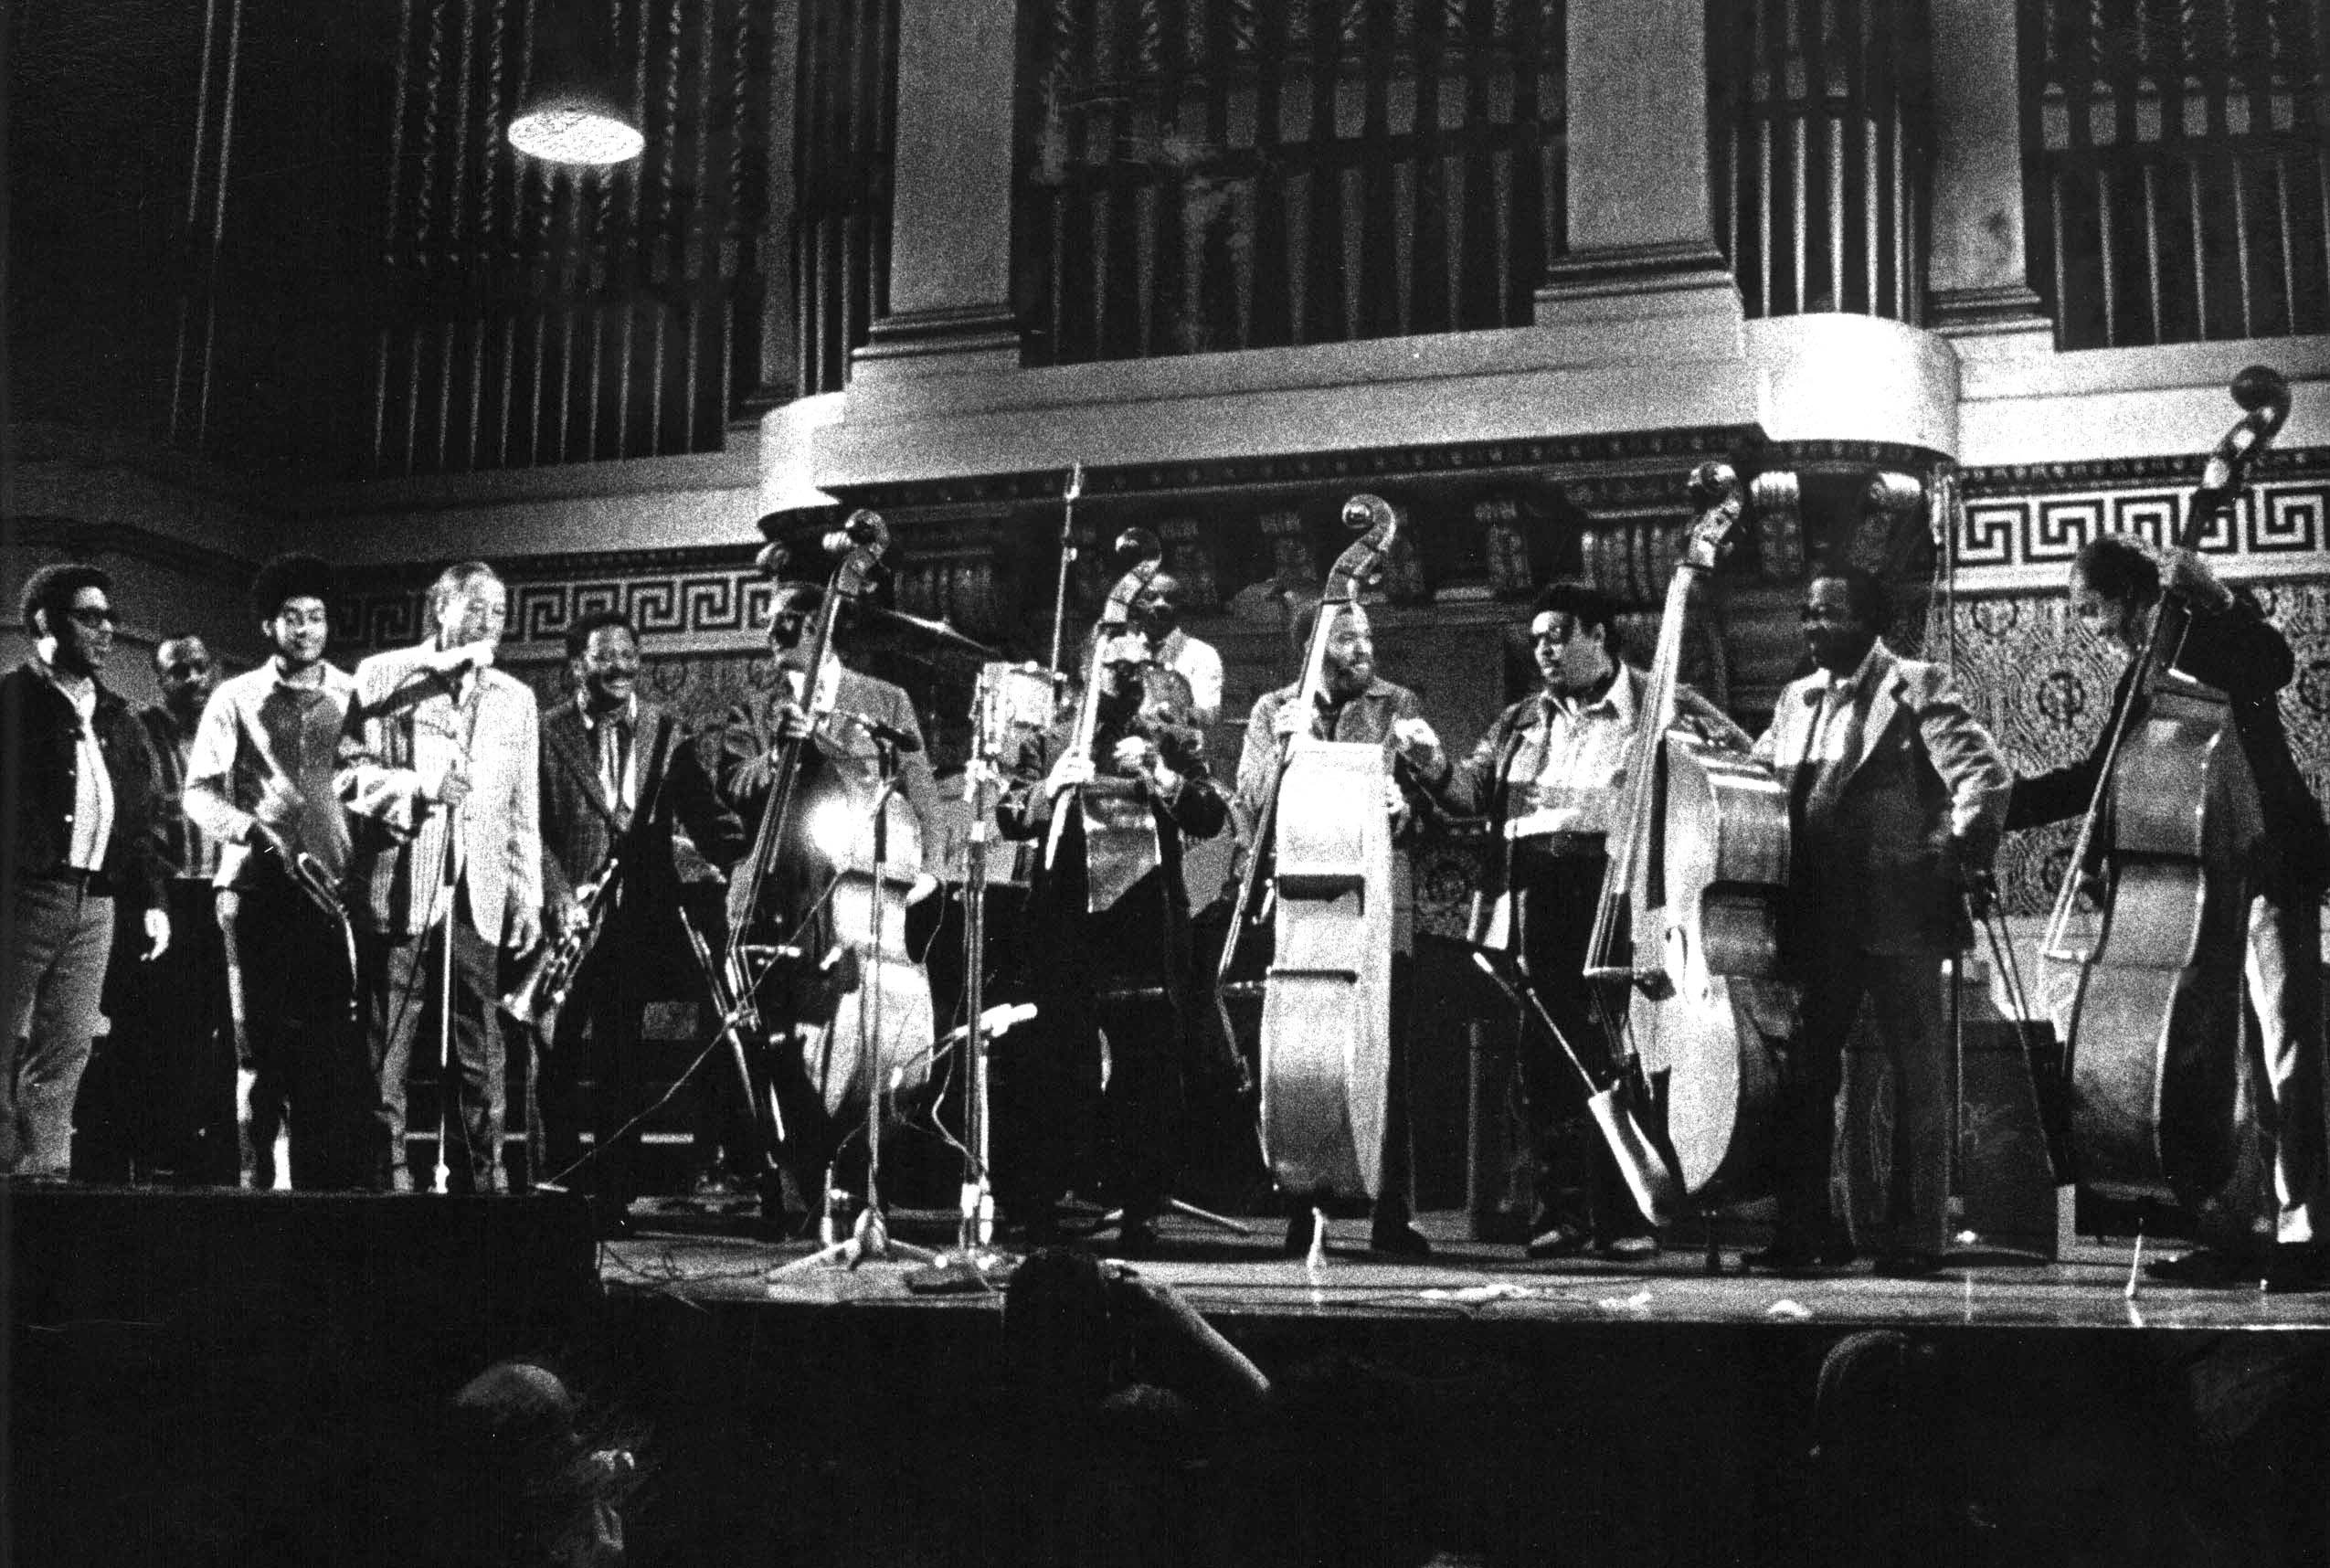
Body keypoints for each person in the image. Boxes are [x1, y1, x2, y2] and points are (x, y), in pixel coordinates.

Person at [2008, 535, 2330, 1292]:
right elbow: (2098, 780)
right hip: (2202, 880)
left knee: (2287, 1053)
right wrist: (2006, 805)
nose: (2093, 628)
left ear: (2130, 595)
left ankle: (2306, 1232)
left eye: (2093, 610)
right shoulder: (2138, 679)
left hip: (2268, 861)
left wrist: (2215, 598)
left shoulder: (2214, 632)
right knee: (2224, 1062)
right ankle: (2234, 1232)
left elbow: (2272, 665)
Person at [1401, 583, 1711, 1262]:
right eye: (1535, 639)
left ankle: (1628, 1216)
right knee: (1544, 1061)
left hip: (1618, 893)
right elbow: (1469, 791)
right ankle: (1561, 1214)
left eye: (1556, 635)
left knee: (1618, 1053)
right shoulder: (1519, 720)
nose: (1542, 649)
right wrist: (1428, 764)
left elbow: (1730, 767)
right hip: (1535, 896)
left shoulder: (1663, 705)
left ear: (1598, 635)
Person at [1752, 566, 2009, 1276]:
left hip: (1903, 914)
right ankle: (1807, 1231)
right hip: (1816, 918)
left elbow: (1984, 781)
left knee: (1915, 1076)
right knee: (1806, 1073)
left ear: (1870, 622)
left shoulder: (1918, 683)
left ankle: (1914, 1239)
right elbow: (1761, 780)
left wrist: (1953, 861)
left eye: (1828, 614)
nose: (1811, 627)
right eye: (1806, 614)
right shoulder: (1794, 698)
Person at [995, 625, 1230, 1255]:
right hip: (1065, 918)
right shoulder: (1049, 737)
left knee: (1146, 1064)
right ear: (1088, 667)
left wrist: (1162, 776)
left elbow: (1211, 816)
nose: (1130, 677)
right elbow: (1007, 814)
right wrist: (1051, 789)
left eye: (1138, 665)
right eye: (1116, 665)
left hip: (1145, 919)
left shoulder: (1168, 735)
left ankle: (1139, 1205)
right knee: (1054, 1057)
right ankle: (1043, 1200)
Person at [714, 581, 944, 1221]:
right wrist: (778, 753)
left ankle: (860, 1173)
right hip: (777, 892)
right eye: (768, 621)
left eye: (785, 620)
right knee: (774, 1039)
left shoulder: (883, 700)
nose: (771, 632)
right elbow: (734, 786)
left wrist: (926, 871)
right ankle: (788, 1177)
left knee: (868, 1042)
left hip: (862, 903)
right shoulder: (754, 705)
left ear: (820, 624)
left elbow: (920, 794)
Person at [1232, 597, 1434, 1257]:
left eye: (1367, 635)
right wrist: (1285, 752)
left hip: (1381, 900)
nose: (1362, 648)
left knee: (1388, 1059)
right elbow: (1252, 808)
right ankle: (1304, 1202)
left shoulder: (1396, 704)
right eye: (1348, 638)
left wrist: (1403, 806)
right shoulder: (1272, 711)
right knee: (1298, 1058)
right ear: (1314, 645)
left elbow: (1431, 812)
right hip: (1304, 908)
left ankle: (1391, 1213)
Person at [533, 609, 746, 1228]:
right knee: (558, 1056)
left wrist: (748, 851)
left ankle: (615, 1198)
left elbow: (704, 815)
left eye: (629, 653)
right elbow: (531, 826)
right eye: (606, 656)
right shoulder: (546, 732)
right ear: (578, 665)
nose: (621, 666)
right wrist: (555, 893)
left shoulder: (666, 730)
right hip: (565, 917)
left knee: (621, 1059)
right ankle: (559, 1188)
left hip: (637, 922)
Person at [338, 561, 543, 1193]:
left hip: (478, 892)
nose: (490, 624)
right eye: (477, 608)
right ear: (441, 609)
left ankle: (486, 1178)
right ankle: (389, 1174)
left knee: (481, 1041)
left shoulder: (516, 697)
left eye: (500, 613)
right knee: (388, 1036)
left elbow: (521, 810)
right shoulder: (383, 674)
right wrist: (418, 788)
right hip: (402, 883)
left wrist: (528, 897)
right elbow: (348, 776)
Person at [185, 554, 370, 1189]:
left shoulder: (356, 696)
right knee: (257, 1052)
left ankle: (318, 1202)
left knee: (327, 1055)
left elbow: (371, 789)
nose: (306, 630)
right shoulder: (233, 697)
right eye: (292, 618)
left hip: (334, 900)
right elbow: (199, 792)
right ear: (269, 626)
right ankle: (254, 1190)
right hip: (255, 893)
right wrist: (249, 831)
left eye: (316, 617)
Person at [0, 563, 170, 1181]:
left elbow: (140, 818)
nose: (107, 629)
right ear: (45, 620)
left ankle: (44, 1173)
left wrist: (150, 899)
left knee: (68, 1041)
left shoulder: (120, 717)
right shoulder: (12, 700)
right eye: (89, 616)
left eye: (110, 617)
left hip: (95, 899)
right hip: (23, 893)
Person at [76, 633, 236, 1184]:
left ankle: (196, 1152)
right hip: (162, 897)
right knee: (151, 1025)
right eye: (178, 671)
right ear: (159, 678)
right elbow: (134, 818)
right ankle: (138, 1150)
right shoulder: (139, 730)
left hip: (221, 893)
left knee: (211, 1030)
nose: (193, 679)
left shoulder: (228, 729)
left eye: (200, 667)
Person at [1134, 571, 1223, 727]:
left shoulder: (1203, 655)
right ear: (1137, 604)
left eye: (1170, 599)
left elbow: (1207, 717)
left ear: (1181, 607)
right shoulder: (1120, 650)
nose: (1160, 604)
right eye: (1151, 597)